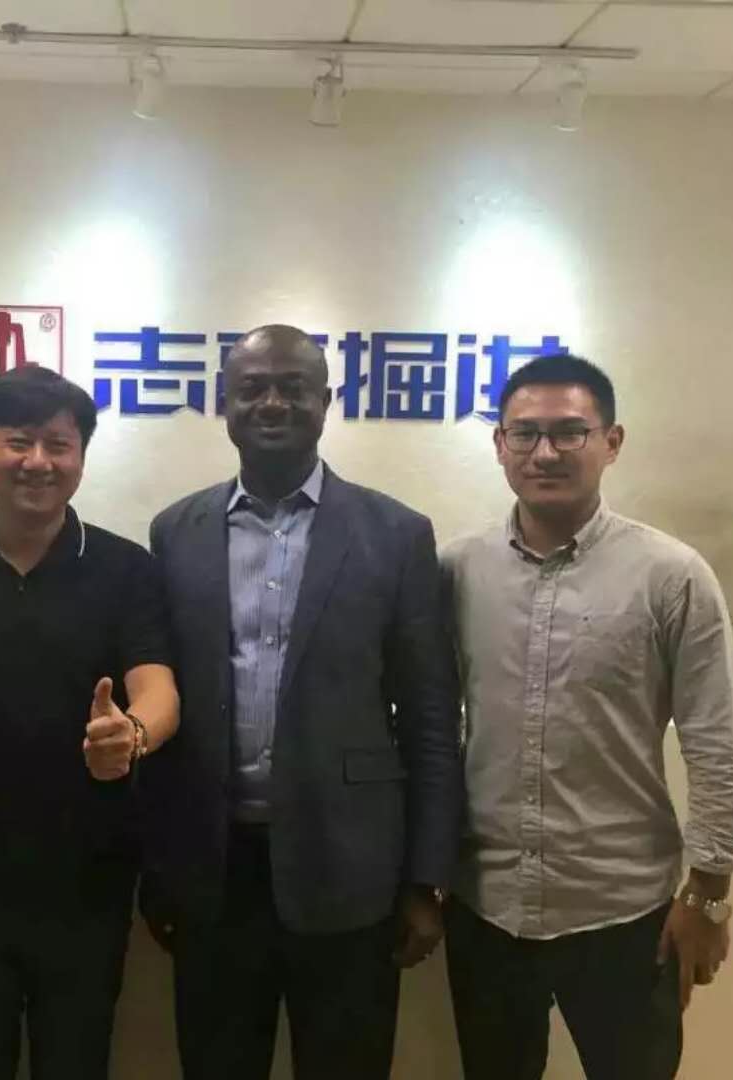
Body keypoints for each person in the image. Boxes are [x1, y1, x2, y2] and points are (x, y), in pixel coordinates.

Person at [145, 324, 463, 1080]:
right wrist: (159, 870)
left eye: (293, 387)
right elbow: (163, 706)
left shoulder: (396, 534)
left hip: (351, 872)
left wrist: (426, 879)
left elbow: (428, 717)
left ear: (326, 401)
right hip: (215, 874)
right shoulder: (176, 531)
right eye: (252, 388)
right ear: (224, 403)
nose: (272, 403)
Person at [441, 354, 733, 1080]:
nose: (544, 452)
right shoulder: (455, 570)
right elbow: (431, 726)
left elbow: (715, 738)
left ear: (611, 442)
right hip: (485, 905)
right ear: (499, 445)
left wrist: (708, 896)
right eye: (524, 434)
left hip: (624, 909)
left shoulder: (670, 575)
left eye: (569, 432)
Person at [0, 365, 179, 1079]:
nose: (38, 462)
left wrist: (132, 735)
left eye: (59, 444)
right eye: (18, 442)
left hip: (87, 884)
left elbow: (158, 687)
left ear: (81, 456)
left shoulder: (125, 569)